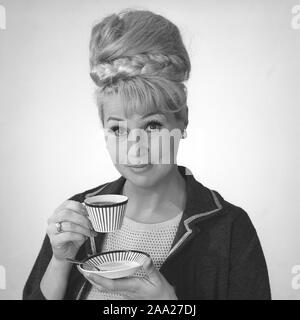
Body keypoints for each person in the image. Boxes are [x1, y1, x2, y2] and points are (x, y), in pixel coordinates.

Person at [23, 9, 271, 300]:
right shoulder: (77, 215)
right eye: (118, 129)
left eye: (152, 125)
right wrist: (60, 262)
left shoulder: (230, 230)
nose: (135, 149)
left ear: (183, 121)